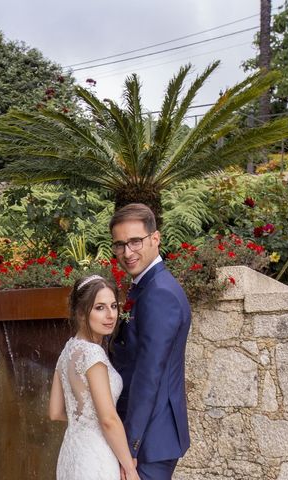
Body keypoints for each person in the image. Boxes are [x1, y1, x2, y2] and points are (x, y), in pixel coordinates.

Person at [108, 203, 191, 480]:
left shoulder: (159, 293)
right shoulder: (146, 286)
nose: (127, 252)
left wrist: (129, 446)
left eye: (135, 241)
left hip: (149, 439)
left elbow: (148, 374)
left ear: (155, 238)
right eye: (119, 245)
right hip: (149, 433)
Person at [49, 275, 139, 480]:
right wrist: (130, 469)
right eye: (100, 307)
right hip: (96, 457)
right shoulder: (93, 355)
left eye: (113, 306)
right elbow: (108, 419)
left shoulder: (68, 350)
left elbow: (55, 412)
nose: (110, 315)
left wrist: (87, 421)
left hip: (72, 456)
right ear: (81, 313)